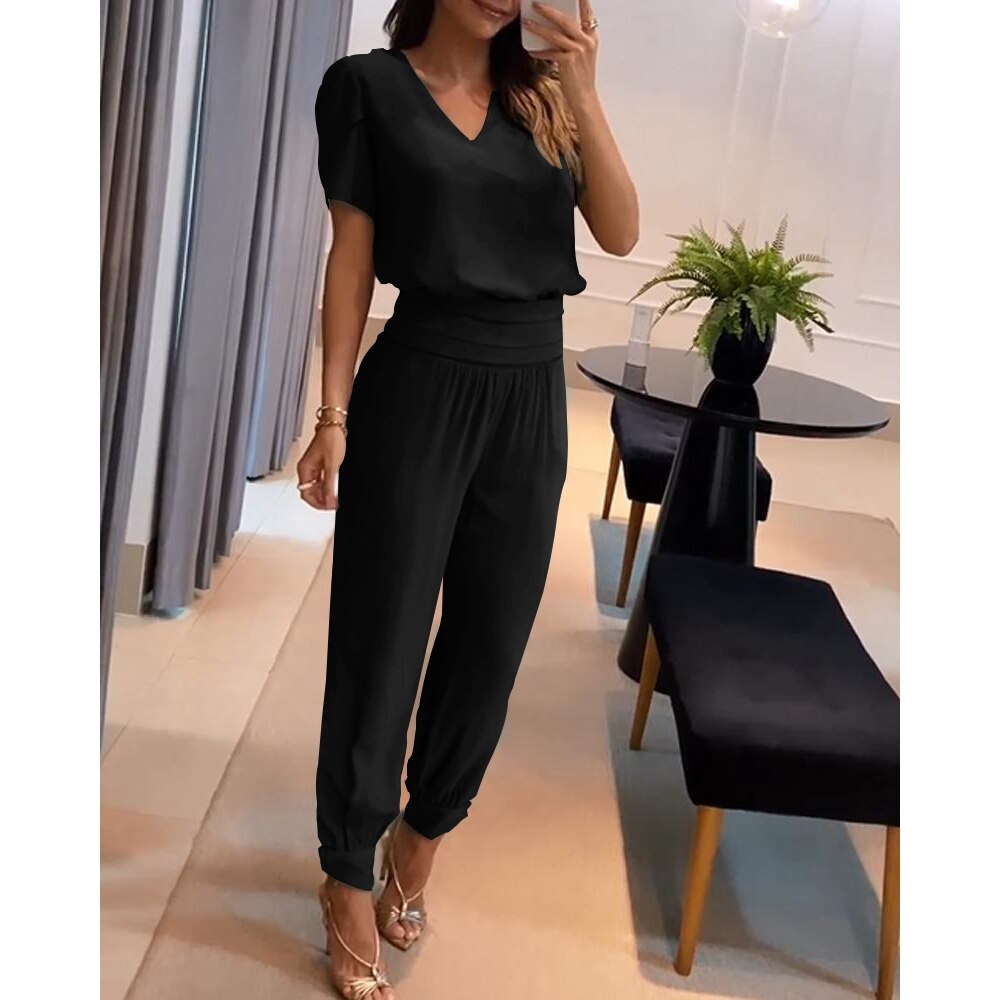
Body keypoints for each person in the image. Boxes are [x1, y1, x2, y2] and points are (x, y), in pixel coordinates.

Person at [299, 1, 637, 995]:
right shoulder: (367, 89)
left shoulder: (543, 101)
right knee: (382, 636)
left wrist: (583, 89)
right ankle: (345, 873)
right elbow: (352, 258)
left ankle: (423, 834)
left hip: (531, 390)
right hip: (420, 380)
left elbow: (621, 232)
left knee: (491, 641)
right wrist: (332, 411)